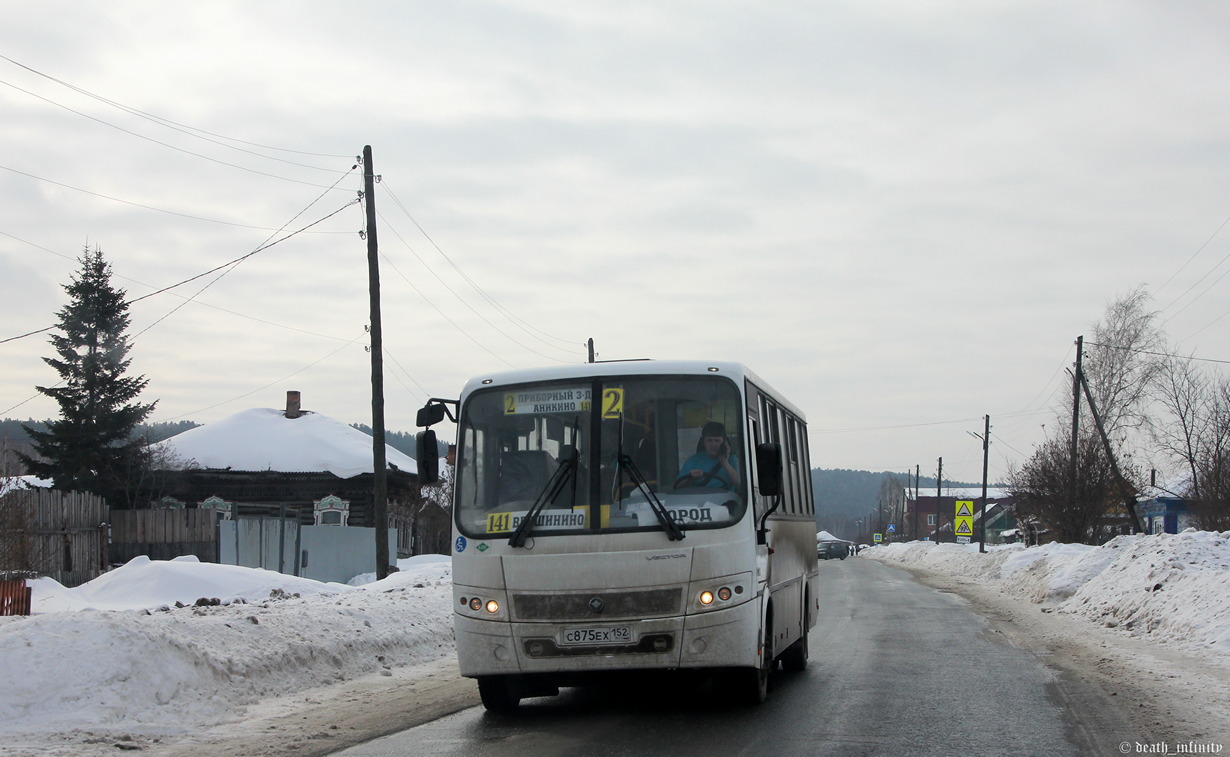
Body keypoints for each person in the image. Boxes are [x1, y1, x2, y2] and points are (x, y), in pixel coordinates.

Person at [673, 421, 739, 490]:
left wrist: (725, 463)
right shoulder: (694, 460)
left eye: (717, 441)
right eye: (709, 441)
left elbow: (741, 485)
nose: (713, 445)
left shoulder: (732, 460)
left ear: (724, 442)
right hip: (700, 497)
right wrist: (690, 477)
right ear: (703, 442)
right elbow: (677, 486)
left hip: (726, 498)